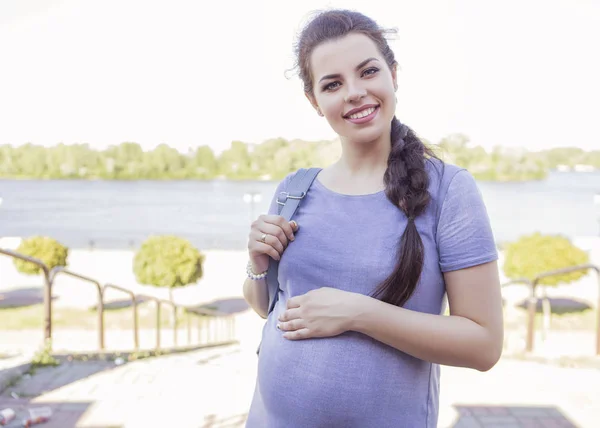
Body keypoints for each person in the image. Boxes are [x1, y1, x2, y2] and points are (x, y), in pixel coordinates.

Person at [242, 9, 503, 428]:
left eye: (367, 72)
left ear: (393, 75)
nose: (354, 92)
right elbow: (267, 308)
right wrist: (257, 266)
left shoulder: (450, 190)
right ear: (315, 102)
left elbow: (484, 345)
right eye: (332, 84)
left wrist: (357, 314)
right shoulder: (295, 189)